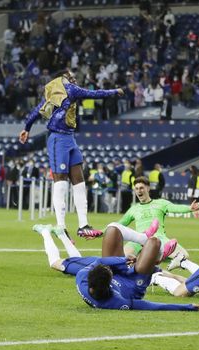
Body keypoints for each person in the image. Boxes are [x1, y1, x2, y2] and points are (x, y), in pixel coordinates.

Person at [19, 70, 124, 239]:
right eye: (71, 75)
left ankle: (83, 225)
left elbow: (37, 111)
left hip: (70, 139)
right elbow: (93, 93)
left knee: (79, 181)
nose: (75, 78)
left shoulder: (54, 93)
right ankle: (61, 226)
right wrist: (114, 91)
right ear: (63, 78)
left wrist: (26, 128)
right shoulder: (70, 89)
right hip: (58, 140)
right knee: (60, 181)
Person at [32, 223, 199, 312]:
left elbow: (101, 262)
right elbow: (152, 306)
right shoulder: (117, 302)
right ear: (108, 284)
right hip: (135, 278)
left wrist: (122, 261)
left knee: (112, 229)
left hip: (119, 267)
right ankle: (155, 257)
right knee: (154, 242)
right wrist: (187, 307)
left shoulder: (82, 276)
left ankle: (146, 247)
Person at [117, 177, 199, 273]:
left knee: (184, 255)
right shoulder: (133, 209)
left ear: (148, 188)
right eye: (136, 188)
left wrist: (189, 208)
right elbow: (118, 225)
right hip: (139, 239)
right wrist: (99, 233)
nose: (139, 191)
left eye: (141, 188)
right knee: (122, 258)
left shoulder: (161, 203)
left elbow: (174, 207)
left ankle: (158, 259)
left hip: (160, 239)